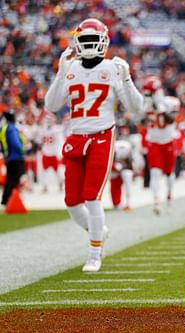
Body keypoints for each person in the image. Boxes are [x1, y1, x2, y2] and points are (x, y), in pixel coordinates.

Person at [44, 18, 143, 272]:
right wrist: (60, 73)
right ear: (77, 41)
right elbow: (51, 105)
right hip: (76, 137)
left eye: (92, 40)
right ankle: (99, 231)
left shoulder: (113, 67)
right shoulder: (71, 67)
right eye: (84, 40)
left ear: (103, 41)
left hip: (101, 135)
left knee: (92, 198)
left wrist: (128, 79)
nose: (88, 45)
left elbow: (136, 108)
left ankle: (94, 253)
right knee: (72, 203)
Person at [143, 76, 180, 214]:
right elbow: (139, 117)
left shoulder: (169, 102)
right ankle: (156, 200)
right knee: (155, 172)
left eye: (150, 93)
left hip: (168, 141)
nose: (148, 96)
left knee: (169, 174)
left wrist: (161, 109)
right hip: (154, 142)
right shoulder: (145, 104)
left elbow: (171, 120)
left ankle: (169, 194)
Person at [0, 110, 26, 206]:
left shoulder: (4, 129)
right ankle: (11, 197)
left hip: (8, 157)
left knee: (10, 178)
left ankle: (5, 199)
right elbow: (15, 143)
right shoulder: (11, 129)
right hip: (16, 157)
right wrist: (23, 150)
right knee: (16, 178)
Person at [39, 113, 64, 193]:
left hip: (51, 153)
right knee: (46, 171)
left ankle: (58, 183)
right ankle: (46, 185)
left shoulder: (45, 129)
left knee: (55, 171)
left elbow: (40, 140)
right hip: (49, 153)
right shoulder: (56, 129)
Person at [110, 139, 134, 211]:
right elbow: (109, 161)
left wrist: (124, 167)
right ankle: (116, 204)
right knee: (115, 185)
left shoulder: (127, 148)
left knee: (128, 183)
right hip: (114, 168)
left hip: (125, 167)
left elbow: (130, 163)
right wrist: (115, 167)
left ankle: (128, 203)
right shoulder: (113, 149)